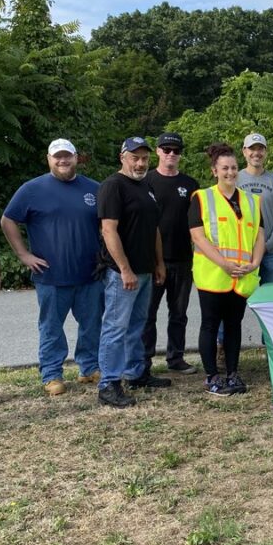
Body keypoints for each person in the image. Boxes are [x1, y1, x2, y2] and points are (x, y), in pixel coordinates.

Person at [1, 139, 104, 396]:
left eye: (67, 156)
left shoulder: (94, 189)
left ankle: (89, 367)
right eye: (57, 156)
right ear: (49, 159)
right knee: (51, 328)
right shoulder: (32, 189)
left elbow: (108, 225)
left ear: (76, 158)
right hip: (50, 276)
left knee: (92, 325)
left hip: (90, 274)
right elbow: (7, 220)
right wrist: (23, 255)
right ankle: (52, 374)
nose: (63, 160)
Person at [96, 137, 170, 409]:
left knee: (137, 325)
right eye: (135, 158)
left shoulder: (146, 186)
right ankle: (108, 384)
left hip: (145, 271)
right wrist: (125, 269)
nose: (140, 163)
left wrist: (159, 263)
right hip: (122, 274)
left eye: (144, 159)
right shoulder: (113, 186)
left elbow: (154, 229)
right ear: (122, 157)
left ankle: (136, 373)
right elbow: (108, 230)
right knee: (115, 328)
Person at [190, 143, 265, 396]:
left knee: (234, 325)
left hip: (242, 276)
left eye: (233, 167)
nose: (230, 172)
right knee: (210, 325)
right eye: (224, 168)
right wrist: (223, 263)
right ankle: (212, 376)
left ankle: (233, 373)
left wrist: (255, 262)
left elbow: (259, 235)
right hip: (214, 275)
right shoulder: (202, 198)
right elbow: (198, 237)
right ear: (215, 171)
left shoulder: (252, 201)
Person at [142, 132, 199, 377]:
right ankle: (144, 360)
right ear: (157, 151)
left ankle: (176, 358)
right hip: (151, 260)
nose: (171, 154)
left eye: (176, 150)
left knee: (179, 314)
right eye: (166, 149)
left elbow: (198, 223)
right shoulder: (145, 181)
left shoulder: (190, 184)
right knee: (147, 314)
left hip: (182, 258)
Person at [237, 132, 273, 286]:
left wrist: (268, 245)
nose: (256, 153)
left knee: (269, 295)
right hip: (243, 250)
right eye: (252, 148)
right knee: (242, 295)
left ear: (265, 152)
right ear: (244, 151)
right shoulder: (235, 179)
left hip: (268, 252)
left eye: (260, 149)